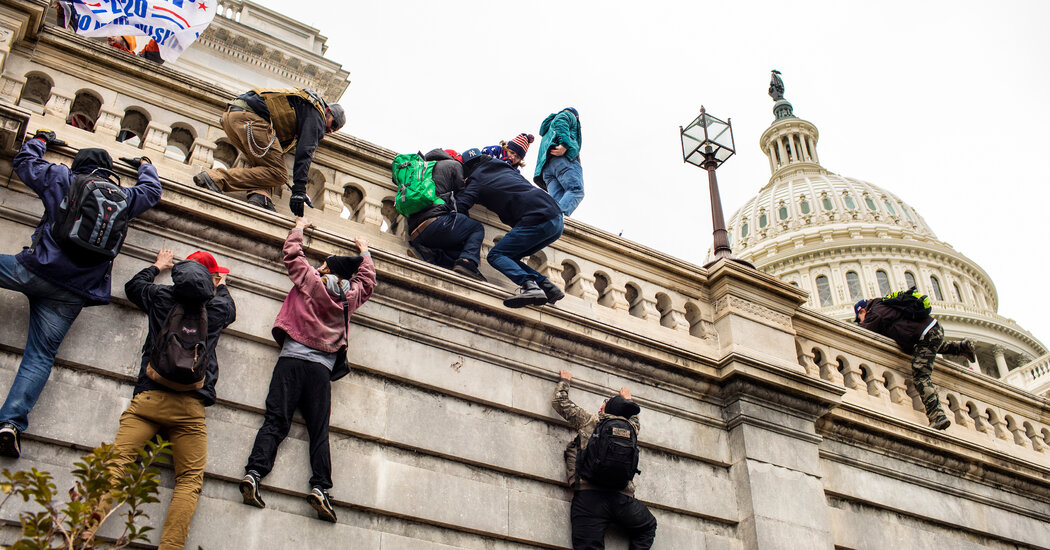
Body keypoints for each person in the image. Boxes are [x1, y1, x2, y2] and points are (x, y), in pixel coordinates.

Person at [0, 131, 162, 458]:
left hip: (38, 269)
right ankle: (10, 425)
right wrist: (146, 164)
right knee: (40, 356)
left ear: (78, 164)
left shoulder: (63, 177)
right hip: (74, 293)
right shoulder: (125, 196)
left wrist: (41, 139)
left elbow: (25, 163)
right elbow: (152, 190)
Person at [239, 217, 376, 523]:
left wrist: (299, 228)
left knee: (275, 421)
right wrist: (364, 252)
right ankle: (320, 488)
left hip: (290, 361)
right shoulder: (348, 297)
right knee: (318, 432)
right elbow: (368, 282)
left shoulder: (311, 281)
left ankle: (254, 474)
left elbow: (292, 255)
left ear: (327, 269)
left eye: (323, 263)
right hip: (320, 370)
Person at [102, 249, 236, 549]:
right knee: (188, 481)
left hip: (150, 396)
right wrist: (222, 285)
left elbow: (132, 287)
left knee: (118, 464)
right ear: (209, 279)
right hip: (190, 406)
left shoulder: (161, 298)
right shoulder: (215, 310)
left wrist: (157, 266)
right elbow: (230, 309)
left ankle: (82, 533)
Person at [193, 88, 345, 215]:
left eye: (333, 131)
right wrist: (299, 190)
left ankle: (261, 197)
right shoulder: (316, 113)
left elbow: (274, 156)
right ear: (328, 110)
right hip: (250, 120)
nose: (329, 130)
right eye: (333, 124)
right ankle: (214, 178)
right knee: (279, 174)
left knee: (268, 165)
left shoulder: (302, 105)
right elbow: (305, 151)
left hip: (232, 117)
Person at [551, 370, 657, 549]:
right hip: (622, 499)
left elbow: (560, 403)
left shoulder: (590, 423)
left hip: (589, 497)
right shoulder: (631, 428)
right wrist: (628, 399)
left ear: (603, 410)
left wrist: (565, 381)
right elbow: (634, 419)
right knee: (647, 526)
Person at [455, 148, 565, 308]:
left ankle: (530, 286)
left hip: (537, 217)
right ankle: (548, 287)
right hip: (556, 218)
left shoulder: (476, 179)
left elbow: (460, 205)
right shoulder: (502, 166)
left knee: (495, 255)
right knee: (509, 256)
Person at [854, 296, 976, 430]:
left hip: (925, 334)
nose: (860, 321)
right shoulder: (883, 306)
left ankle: (937, 415)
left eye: (859, 317)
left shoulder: (875, 312)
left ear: (862, 312)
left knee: (921, 376)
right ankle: (962, 347)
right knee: (926, 349)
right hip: (931, 330)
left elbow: (864, 331)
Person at [405, 148, 486, 280]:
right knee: (476, 228)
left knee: (455, 252)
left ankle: (428, 253)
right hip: (435, 224)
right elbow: (462, 196)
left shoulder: (424, 169)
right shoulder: (454, 165)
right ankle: (467, 262)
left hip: (415, 231)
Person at [534, 108, 584, 216]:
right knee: (576, 190)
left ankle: (549, 221)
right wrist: (565, 144)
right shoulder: (568, 115)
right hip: (563, 161)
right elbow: (561, 120)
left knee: (557, 201)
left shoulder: (549, 127)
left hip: (547, 169)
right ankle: (555, 220)